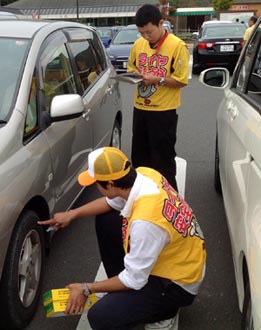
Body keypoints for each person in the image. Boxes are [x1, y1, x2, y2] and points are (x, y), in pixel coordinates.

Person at [38, 147, 206, 330]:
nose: (95, 187)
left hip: (177, 283)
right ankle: (121, 295)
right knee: (107, 220)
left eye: (97, 183)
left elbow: (135, 279)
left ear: (110, 184)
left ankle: (164, 314)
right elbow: (110, 203)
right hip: (175, 257)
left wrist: (86, 288)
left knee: (101, 317)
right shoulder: (144, 175)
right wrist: (72, 214)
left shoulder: (146, 221)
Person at [127, 4, 190, 191]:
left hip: (163, 113)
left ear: (161, 23)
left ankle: (171, 205)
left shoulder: (177, 46)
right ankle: (143, 201)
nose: (146, 37)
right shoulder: (138, 45)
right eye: (141, 33)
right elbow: (132, 67)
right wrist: (135, 74)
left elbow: (182, 80)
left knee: (163, 162)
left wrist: (158, 79)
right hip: (140, 109)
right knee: (139, 160)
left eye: (149, 32)